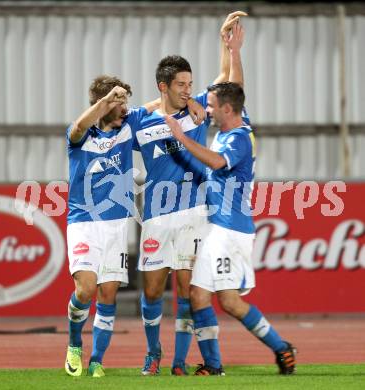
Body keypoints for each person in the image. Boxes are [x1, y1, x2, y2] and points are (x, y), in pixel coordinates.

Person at [164, 22, 297, 376]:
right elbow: (234, 85)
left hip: (230, 228)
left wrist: (180, 138)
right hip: (221, 227)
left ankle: (226, 361)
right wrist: (232, 50)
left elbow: (216, 162)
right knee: (220, 300)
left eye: (210, 105)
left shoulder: (237, 139)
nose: (205, 109)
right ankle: (276, 350)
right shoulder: (234, 119)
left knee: (213, 299)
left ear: (225, 109)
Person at [64, 75, 204, 378]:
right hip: (84, 222)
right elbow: (78, 126)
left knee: (108, 294)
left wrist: (190, 99)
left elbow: (161, 102)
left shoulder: (129, 126)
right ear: (105, 105)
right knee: (86, 289)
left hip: (116, 225)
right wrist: (105, 102)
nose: (126, 107)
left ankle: (96, 360)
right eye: (120, 102)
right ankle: (75, 343)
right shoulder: (81, 136)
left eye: (126, 102)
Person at [134, 11, 247, 376]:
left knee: (187, 291)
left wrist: (227, 46)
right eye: (181, 84)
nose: (188, 90)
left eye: (191, 83)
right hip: (155, 214)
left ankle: (179, 362)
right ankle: (154, 352)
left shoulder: (198, 110)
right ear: (163, 86)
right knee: (152, 292)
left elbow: (230, 84)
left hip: (195, 211)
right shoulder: (141, 119)